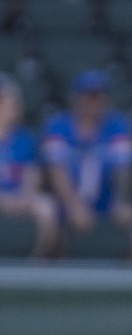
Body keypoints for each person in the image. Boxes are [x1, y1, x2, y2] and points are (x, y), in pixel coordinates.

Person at [43, 70, 132, 260]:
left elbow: (125, 168)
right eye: (89, 96)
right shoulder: (58, 126)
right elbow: (56, 170)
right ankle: (48, 282)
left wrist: (122, 202)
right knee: (51, 225)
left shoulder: (118, 125)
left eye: (99, 96)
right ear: (76, 98)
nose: (94, 102)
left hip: (105, 200)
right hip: (65, 203)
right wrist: (73, 205)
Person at [0, 74, 60, 258]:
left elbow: (32, 176)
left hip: (19, 198)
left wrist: (24, 197)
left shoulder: (25, 139)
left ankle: (36, 268)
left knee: (47, 207)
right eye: (12, 102)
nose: (17, 107)